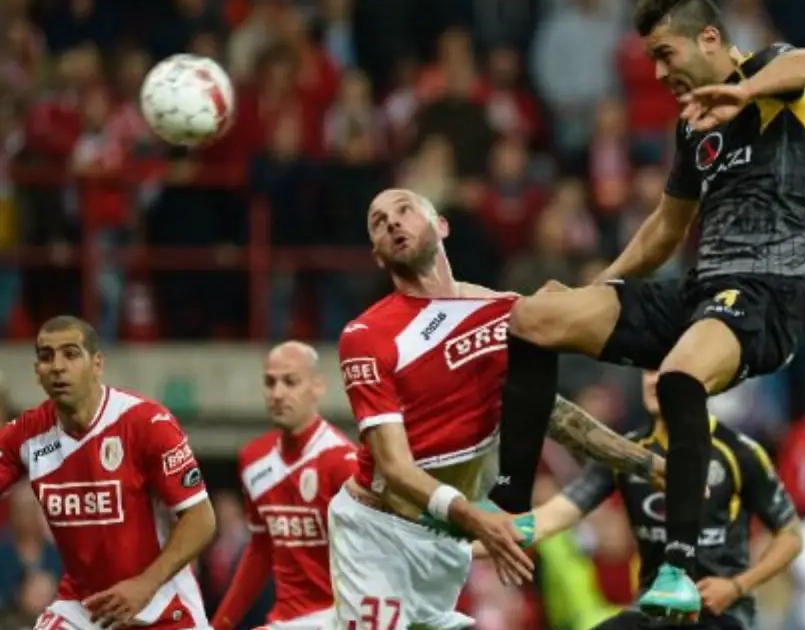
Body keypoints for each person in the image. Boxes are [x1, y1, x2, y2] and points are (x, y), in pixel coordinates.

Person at [490, 0, 805, 619]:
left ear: (709, 39)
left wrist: (742, 91)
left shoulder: (769, 77)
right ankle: (506, 501)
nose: (657, 72)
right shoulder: (692, 126)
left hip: (769, 293)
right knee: (532, 317)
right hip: (703, 291)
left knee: (678, 376)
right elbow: (665, 230)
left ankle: (677, 568)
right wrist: (595, 289)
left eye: (665, 54)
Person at [331, 188, 668, 630]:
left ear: (441, 226)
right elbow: (394, 466)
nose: (392, 221)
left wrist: (648, 464)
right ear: (377, 255)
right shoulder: (366, 335)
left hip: (443, 537)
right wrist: (479, 521)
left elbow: (551, 413)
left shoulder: (505, 313)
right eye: (379, 221)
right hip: (378, 535)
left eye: (405, 209)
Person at [478, 370, 802, 630]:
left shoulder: (738, 452)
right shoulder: (625, 454)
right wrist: (476, 539)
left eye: (662, 370)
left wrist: (737, 586)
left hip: (720, 612)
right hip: (652, 610)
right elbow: (552, 517)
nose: (650, 380)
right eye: (646, 370)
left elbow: (791, 536)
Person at [0, 315, 216, 629]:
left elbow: (202, 519)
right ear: (37, 372)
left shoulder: (146, 423)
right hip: (85, 608)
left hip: (161, 606)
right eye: (47, 357)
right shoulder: (26, 435)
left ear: (97, 364)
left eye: (71, 354)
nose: (57, 366)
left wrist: (144, 585)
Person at [211, 341, 357, 630]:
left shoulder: (342, 462)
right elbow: (260, 550)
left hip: (339, 619)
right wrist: (220, 625)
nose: (277, 393)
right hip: (285, 620)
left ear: (318, 386)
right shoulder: (253, 460)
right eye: (270, 382)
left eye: (290, 382)